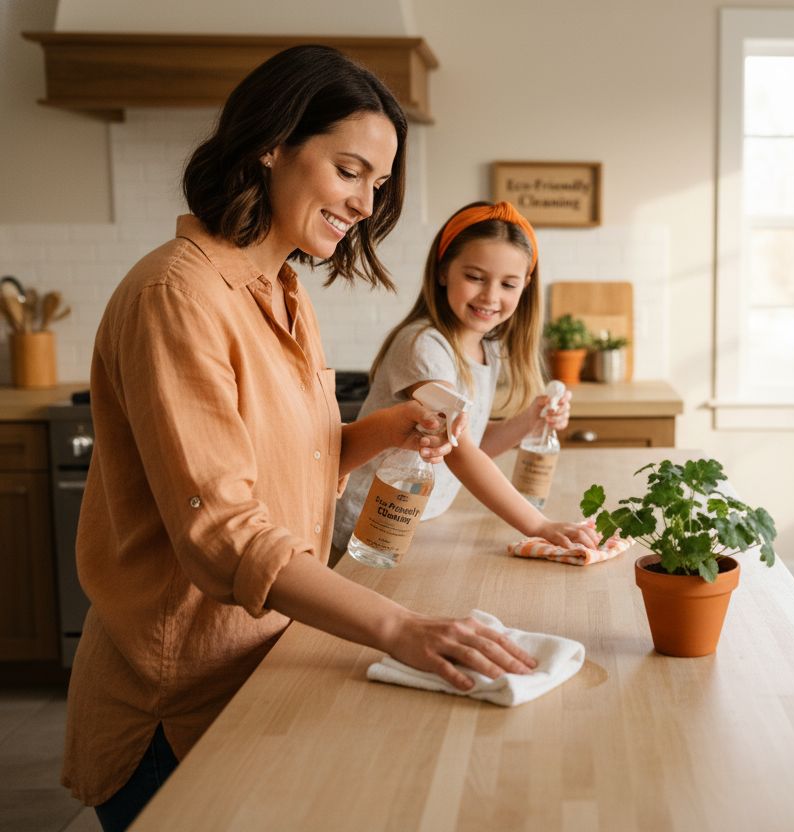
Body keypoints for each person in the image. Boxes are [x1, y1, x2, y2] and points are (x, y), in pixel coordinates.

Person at [60, 46, 536, 832]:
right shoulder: (176, 296)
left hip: (267, 661)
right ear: (272, 144)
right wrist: (402, 629)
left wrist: (379, 431)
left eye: (377, 184)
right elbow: (220, 533)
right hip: (176, 701)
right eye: (350, 171)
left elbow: (298, 464)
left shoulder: (284, 293)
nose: (364, 202)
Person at [332, 201, 599, 554]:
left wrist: (530, 420)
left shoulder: (486, 351)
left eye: (508, 283)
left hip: (416, 526)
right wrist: (539, 525)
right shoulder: (422, 344)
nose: (490, 296)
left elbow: (471, 443)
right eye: (474, 277)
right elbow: (456, 448)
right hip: (366, 527)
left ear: (525, 286)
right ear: (443, 271)